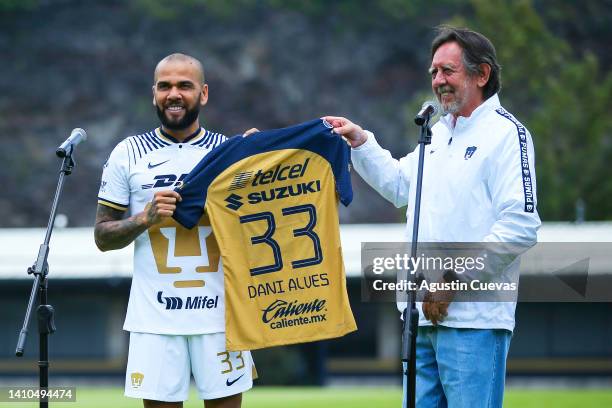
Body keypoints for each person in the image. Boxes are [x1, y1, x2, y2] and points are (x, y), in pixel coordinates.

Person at [325, 26, 541, 407]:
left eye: (448, 71)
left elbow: (520, 226)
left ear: (482, 74)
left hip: (473, 321)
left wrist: (455, 279)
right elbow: (398, 186)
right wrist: (361, 143)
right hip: (420, 319)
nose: (438, 81)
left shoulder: (507, 134)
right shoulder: (438, 134)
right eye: (434, 73)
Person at [95, 53, 254, 408]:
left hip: (220, 316)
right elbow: (102, 237)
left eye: (185, 85)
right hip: (155, 318)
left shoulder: (229, 151)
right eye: (165, 86)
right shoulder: (128, 152)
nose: (174, 94)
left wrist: (259, 158)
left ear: (204, 93)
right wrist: (144, 219)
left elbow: (253, 227)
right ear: (154, 93)